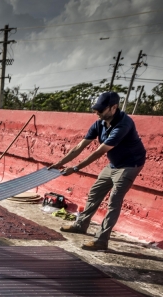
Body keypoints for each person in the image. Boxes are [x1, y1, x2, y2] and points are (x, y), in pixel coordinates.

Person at [49, 91, 147, 251]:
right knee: (95, 192)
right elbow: (80, 147)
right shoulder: (99, 123)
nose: (96, 113)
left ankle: (101, 240)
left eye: (100, 110)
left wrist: (75, 168)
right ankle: (81, 225)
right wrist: (59, 163)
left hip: (129, 165)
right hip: (114, 164)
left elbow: (99, 152)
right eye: (96, 109)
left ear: (113, 107)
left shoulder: (124, 124)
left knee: (114, 201)